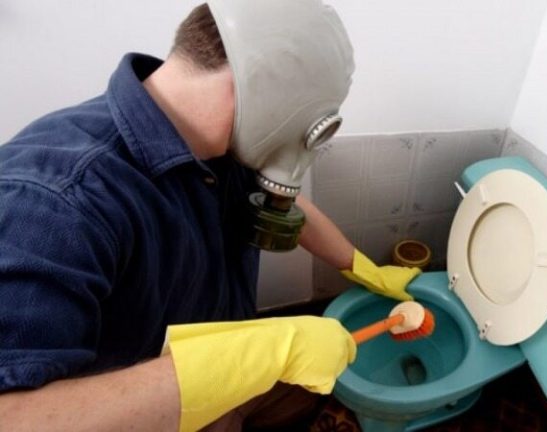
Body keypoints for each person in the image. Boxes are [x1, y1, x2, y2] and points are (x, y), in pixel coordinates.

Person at [0, 1, 420, 431]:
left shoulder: (218, 139)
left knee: (305, 392)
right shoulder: (56, 201)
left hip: (223, 376)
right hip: (146, 415)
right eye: (312, 125)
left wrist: (361, 266)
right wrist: (260, 355)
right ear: (266, 91)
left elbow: (281, 203)